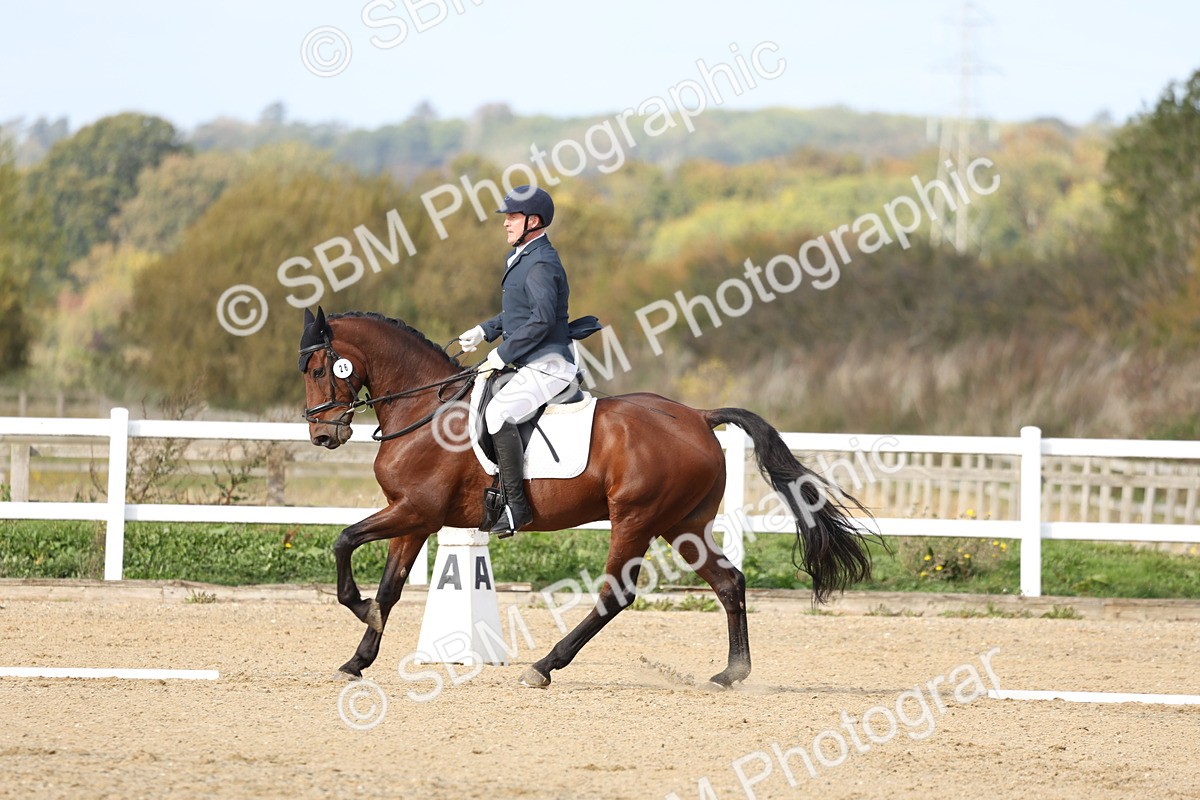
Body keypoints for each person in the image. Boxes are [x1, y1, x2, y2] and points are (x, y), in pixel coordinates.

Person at [457, 185, 576, 533]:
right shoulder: (525, 256)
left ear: (532, 221)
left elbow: (540, 320)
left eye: (512, 217)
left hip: (549, 362)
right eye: (507, 217)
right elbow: (519, 314)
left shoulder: (540, 262)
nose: (506, 224)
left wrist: (500, 354)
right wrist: (484, 330)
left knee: (498, 413)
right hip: (530, 360)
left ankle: (516, 508)